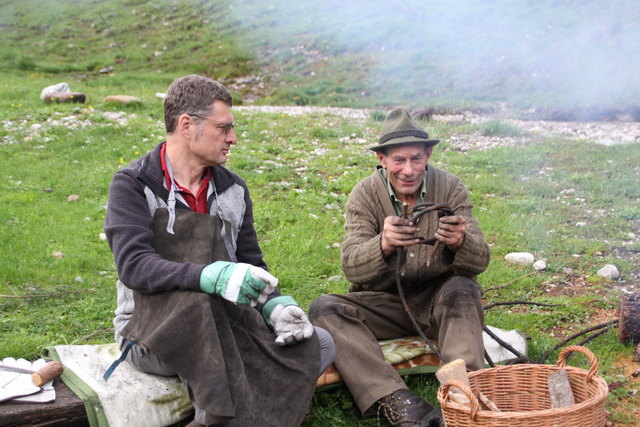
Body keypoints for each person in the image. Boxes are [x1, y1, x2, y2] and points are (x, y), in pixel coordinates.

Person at [104, 74, 335, 427]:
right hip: (148, 332)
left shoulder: (233, 190)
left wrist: (273, 304)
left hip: (226, 321)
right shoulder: (133, 185)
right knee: (202, 316)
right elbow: (134, 266)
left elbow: (251, 262)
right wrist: (208, 275)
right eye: (224, 127)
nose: (233, 138)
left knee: (318, 343)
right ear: (186, 125)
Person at [309, 106, 490, 427]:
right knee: (326, 308)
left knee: (463, 288)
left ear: (429, 155)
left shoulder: (451, 188)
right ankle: (395, 401)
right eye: (398, 160)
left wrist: (461, 242)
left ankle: (462, 396)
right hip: (385, 306)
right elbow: (351, 267)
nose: (408, 169)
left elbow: (480, 261)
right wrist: (383, 245)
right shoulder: (365, 194)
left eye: (416, 159)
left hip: (440, 305)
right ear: (382, 159)